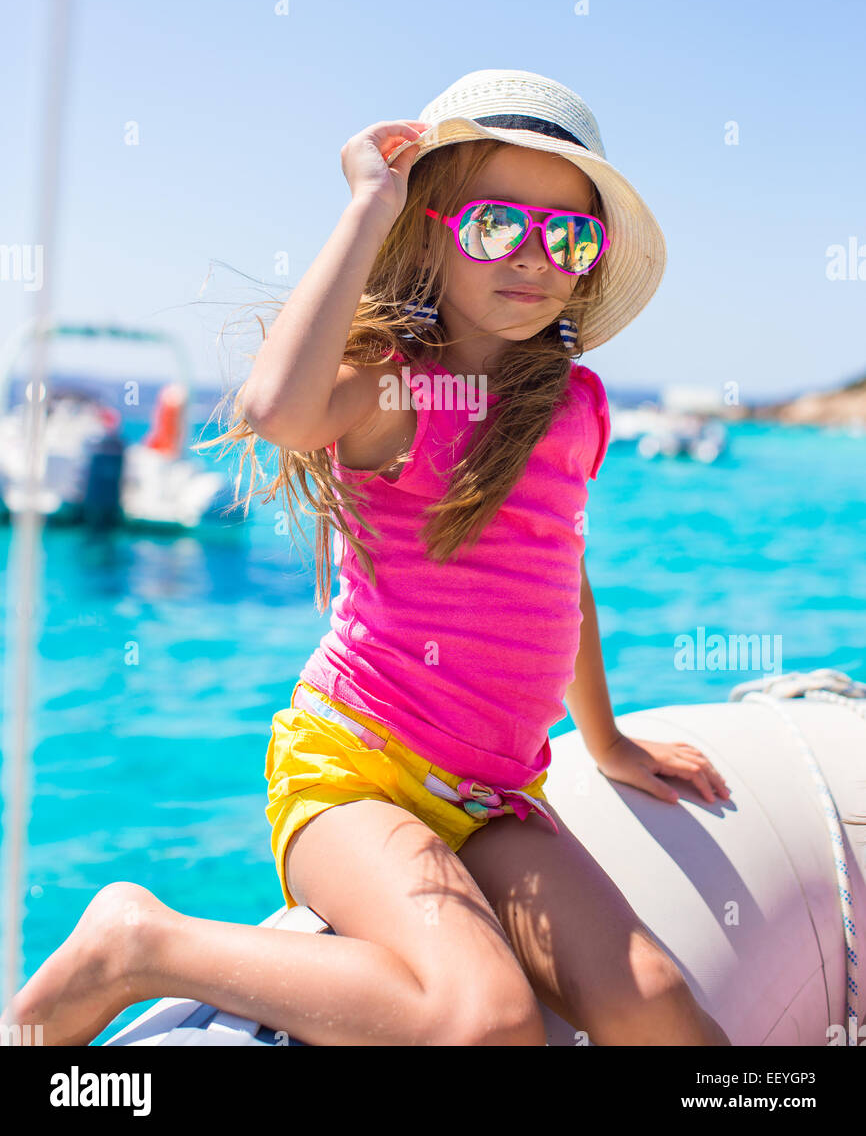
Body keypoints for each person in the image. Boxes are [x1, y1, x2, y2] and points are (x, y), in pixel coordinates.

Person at [2, 69, 731, 1047]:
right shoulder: (393, 391)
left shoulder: (575, 406)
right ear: (429, 229)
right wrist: (365, 204)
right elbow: (276, 411)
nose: (533, 256)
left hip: (493, 795)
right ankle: (141, 940)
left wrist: (604, 744)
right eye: (494, 225)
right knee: (484, 1021)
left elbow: (561, 581)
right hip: (354, 774)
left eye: (567, 235)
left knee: (660, 1010)